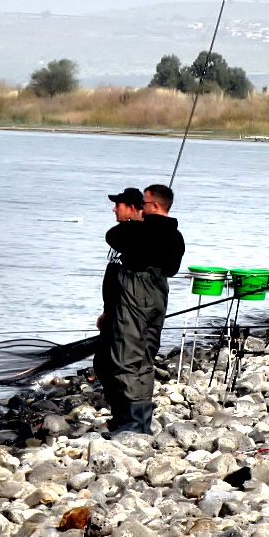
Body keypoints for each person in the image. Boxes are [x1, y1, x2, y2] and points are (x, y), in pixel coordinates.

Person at [94, 185, 185, 434]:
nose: (141, 209)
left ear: (153, 206)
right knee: (144, 358)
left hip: (137, 299)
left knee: (126, 359)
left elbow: (114, 236)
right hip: (155, 300)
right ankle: (136, 420)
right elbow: (172, 267)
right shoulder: (174, 236)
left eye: (144, 204)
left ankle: (132, 424)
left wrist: (136, 223)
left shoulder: (146, 233)